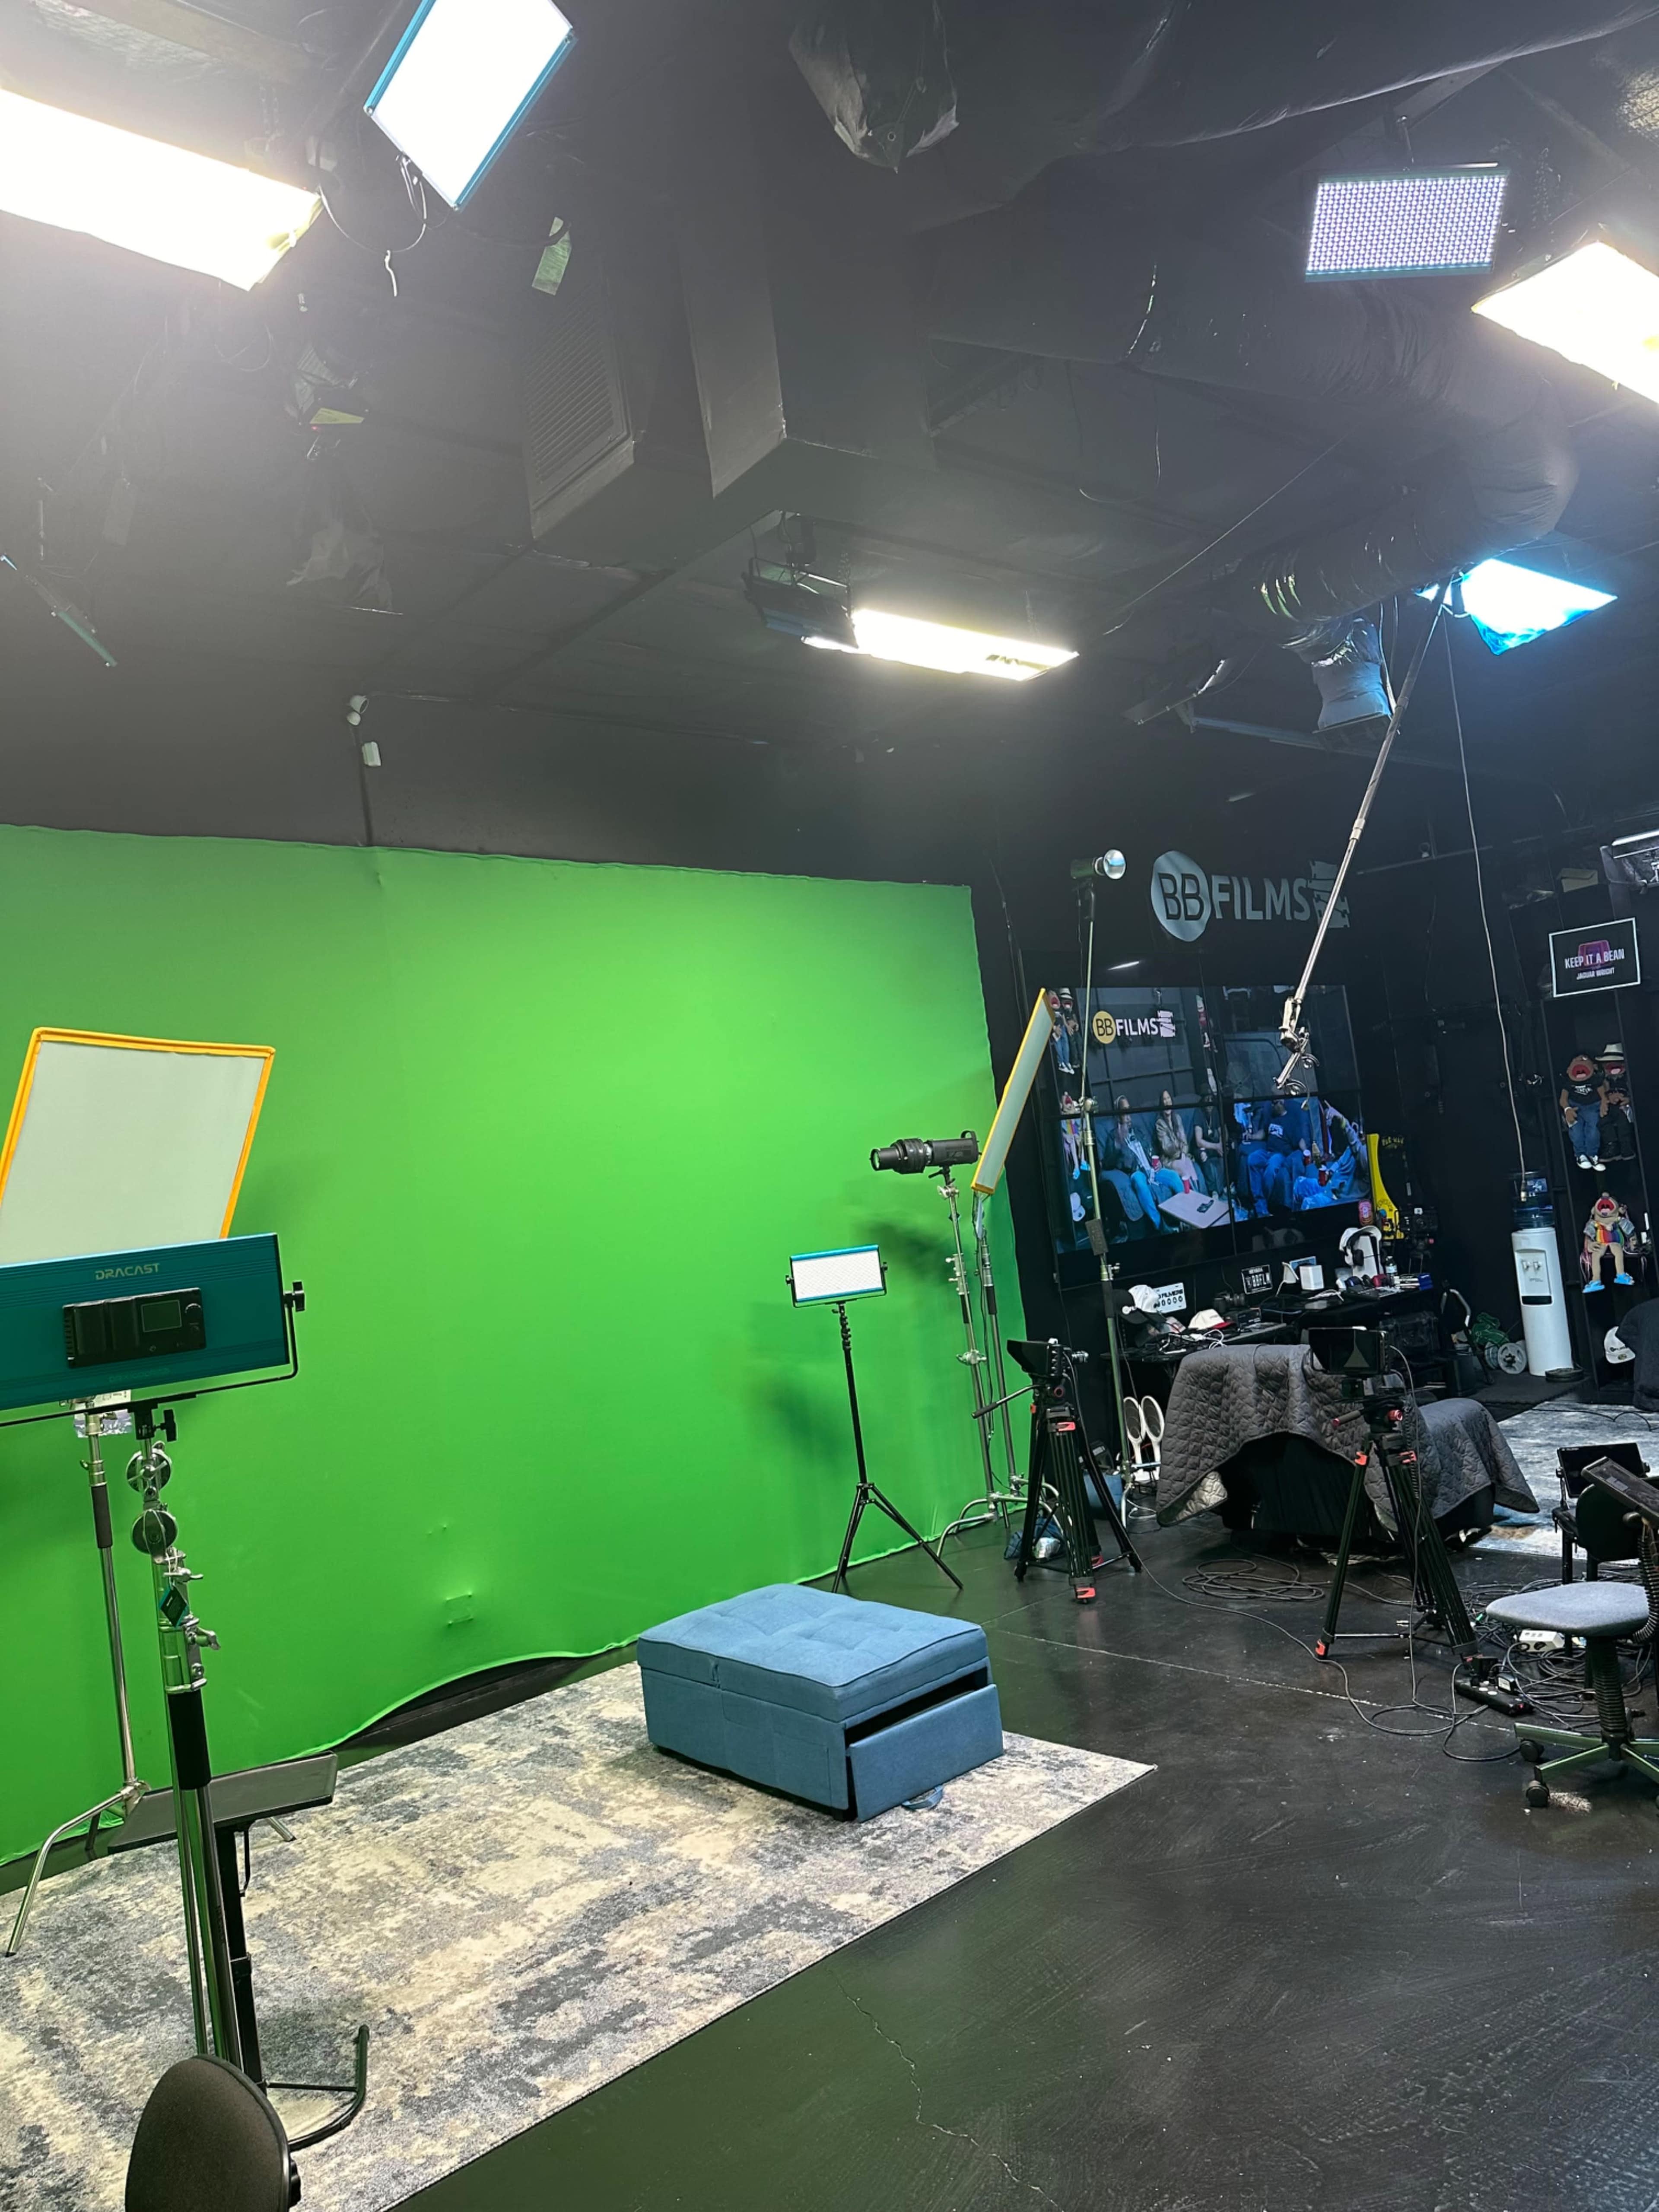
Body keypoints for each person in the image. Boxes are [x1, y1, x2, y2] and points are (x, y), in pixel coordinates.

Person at [1102, 1098, 1177, 1232]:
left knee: (1174, 1177)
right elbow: (1107, 1164)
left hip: (1153, 1170)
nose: (1129, 1115)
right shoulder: (1113, 1136)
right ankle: (1160, 1226)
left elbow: (1152, 1150)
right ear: (1118, 1115)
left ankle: (1186, 1217)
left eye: (1130, 1110)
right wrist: (1118, 1146)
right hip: (1137, 1172)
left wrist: (1159, 1162)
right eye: (1125, 1112)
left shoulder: (1138, 1131)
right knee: (1140, 1183)